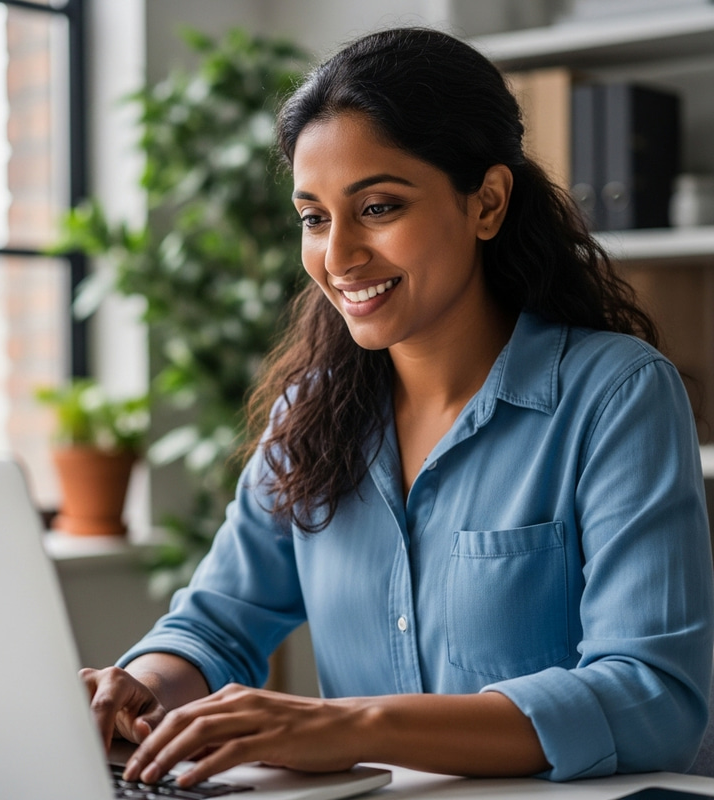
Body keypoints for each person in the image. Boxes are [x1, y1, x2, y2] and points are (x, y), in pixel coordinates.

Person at [82, 26, 714, 784]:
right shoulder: (311, 414)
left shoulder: (614, 394)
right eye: (314, 217)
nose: (339, 255)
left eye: (378, 207)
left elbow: (652, 699)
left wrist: (352, 725)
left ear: (487, 203)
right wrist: (139, 685)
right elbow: (215, 624)